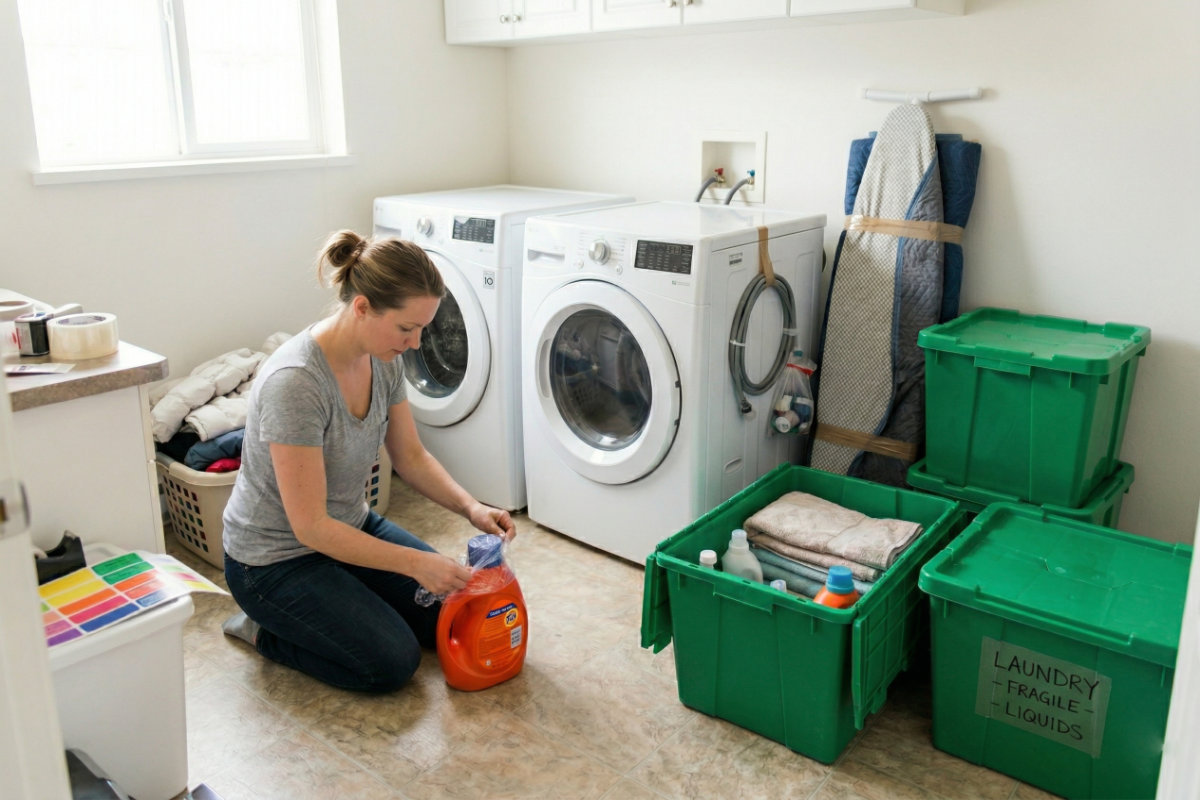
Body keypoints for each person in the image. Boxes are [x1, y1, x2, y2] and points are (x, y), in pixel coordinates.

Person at [220, 229, 516, 692]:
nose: (416, 343)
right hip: (274, 562)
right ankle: (262, 630)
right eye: (406, 328)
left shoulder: (384, 358)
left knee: (454, 615)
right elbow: (311, 528)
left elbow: (411, 457)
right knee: (390, 663)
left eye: (422, 329)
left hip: (350, 528)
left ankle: (342, 600)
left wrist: (472, 508)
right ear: (361, 307)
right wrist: (416, 564)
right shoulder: (295, 383)